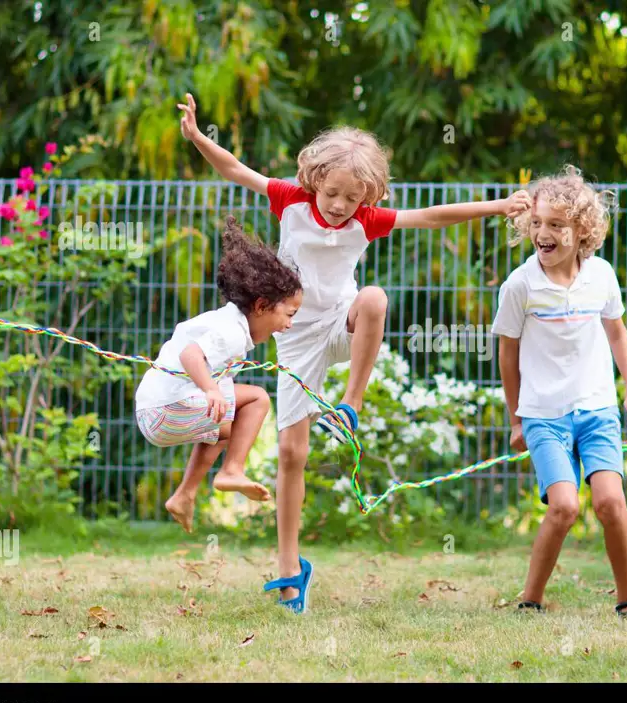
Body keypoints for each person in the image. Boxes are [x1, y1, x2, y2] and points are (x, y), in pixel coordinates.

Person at [177, 93, 531, 612]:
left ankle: (351, 406)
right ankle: (290, 571)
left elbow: (432, 217)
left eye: (352, 196)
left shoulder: (367, 220)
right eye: (333, 192)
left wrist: (498, 206)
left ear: (367, 195)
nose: (340, 205)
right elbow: (234, 169)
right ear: (315, 179)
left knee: (375, 298)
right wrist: (197, 136)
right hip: (295, 333)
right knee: (292, 454)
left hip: (343, 324)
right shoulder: (289, 198)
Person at [491, 164, 627, 618]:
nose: (544, 233)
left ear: (582, 231)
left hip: (598, 409)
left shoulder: (600, 275)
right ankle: (531, 599)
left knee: (610, 502)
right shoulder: (519, 286)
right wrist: (517, 418)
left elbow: (618, 334)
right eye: (537, 223)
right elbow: (508, 356)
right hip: (544, 414)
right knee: (563, 507)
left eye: (557, 225)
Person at [135, 216, 303, 534]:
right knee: (254, 401)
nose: (289, 324)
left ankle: (185, 495)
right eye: (289, 314)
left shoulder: (231, 323)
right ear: (263, 306)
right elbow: (190, 355)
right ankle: (231, 471)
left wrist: (215, 391)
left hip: (156, 409)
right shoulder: (231, 332)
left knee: (229, 417)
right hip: (164, 410)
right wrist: (211, 390)